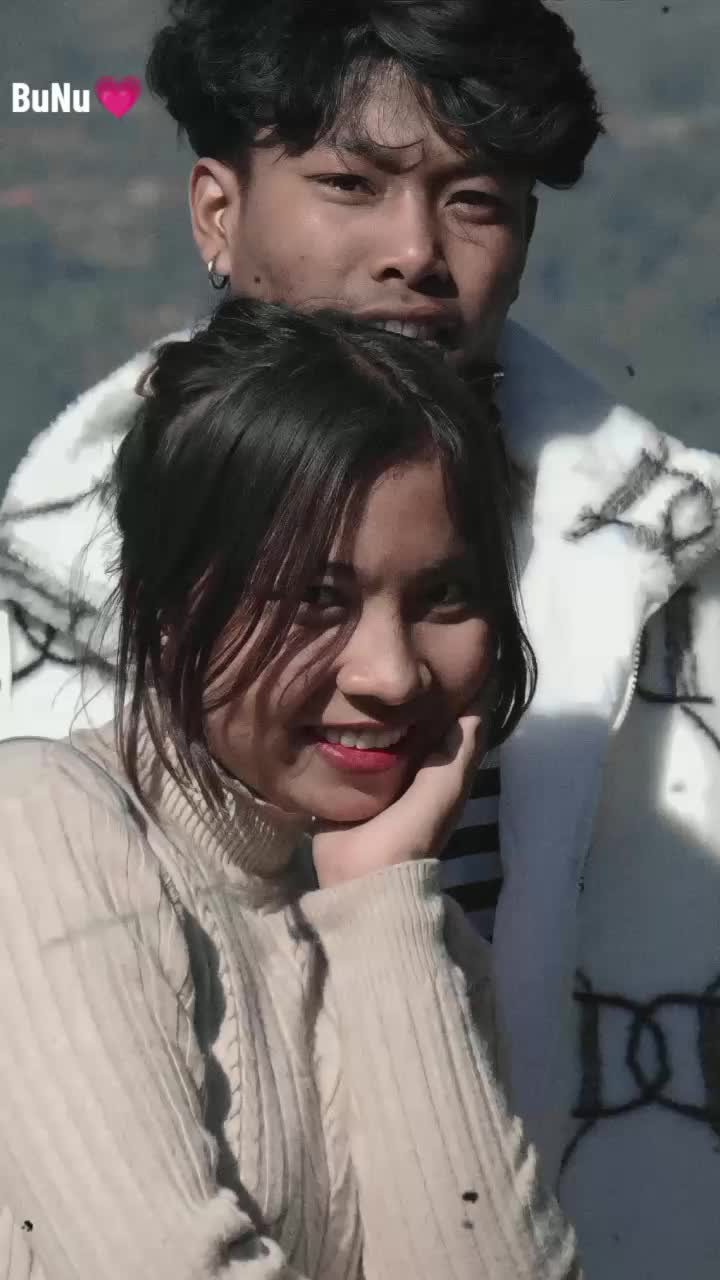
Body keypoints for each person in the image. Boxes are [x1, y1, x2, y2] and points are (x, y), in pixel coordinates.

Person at [0, 2, 718, 1274]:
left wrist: (389, 904)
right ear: (217, 211)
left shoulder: (684, 598)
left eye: (477, 200)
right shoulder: (32, 638)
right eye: (351, 184)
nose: (415, 253)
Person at [0, 296, 582, 1279]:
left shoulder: (410, 937)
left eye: (444, 595)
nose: (391, 674)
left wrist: (386, 902)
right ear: (166, 606)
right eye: (316, 599)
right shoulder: (41, 827)